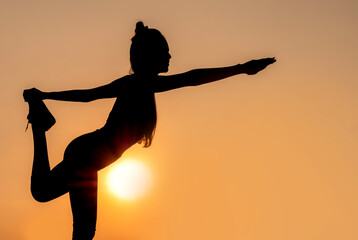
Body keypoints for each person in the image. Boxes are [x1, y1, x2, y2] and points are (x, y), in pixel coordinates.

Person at [23, 21, 276, 239]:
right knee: (83, 231)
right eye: (165, 52)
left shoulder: (134, 83)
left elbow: (89, 95)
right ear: (150, 55)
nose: (170, 57)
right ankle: (39, 122)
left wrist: (45, 95)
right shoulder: (140, 84)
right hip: (87, 156)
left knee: (42, 193)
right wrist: (241, 68)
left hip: (87, 151)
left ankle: (39, 123)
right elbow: (191, 78)